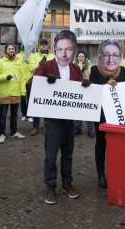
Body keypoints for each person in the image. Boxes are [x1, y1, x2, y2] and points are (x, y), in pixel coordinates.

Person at [28, 29, 86, 204]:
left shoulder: (75, 69)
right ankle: (50, 186)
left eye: (68, 49)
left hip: (69, 120)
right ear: (55, 49)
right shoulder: (46, 66)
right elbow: (31, 83)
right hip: (53, 121)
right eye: (60, 49)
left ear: (74, 49)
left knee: (68, 153)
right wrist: (46, 82)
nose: (64, 54)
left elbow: (81, 92)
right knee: (51, 154)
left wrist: (86, 86)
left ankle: (67, 183)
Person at [89, 39, 125, 189]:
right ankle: (101, 174)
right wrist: (105, 86)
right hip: (101, 115)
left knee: (118, 144)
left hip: (118, 115)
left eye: (115, 55)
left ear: (120, 57)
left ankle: (117, 172)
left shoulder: (123, 71)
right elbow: (91, 93)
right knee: (101, 143)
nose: (110, 59)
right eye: (106, 55)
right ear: (100, 56)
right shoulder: (94, 70)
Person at [0, 43, 26, 143]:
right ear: (5, 50)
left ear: (15, 51)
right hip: (4, 93)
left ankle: (14, 132)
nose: (11, 50)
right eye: (9, 49)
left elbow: (22, 77)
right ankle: (2, 134)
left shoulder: (19, 62)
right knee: (3, 114)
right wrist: (4, 77)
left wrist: (22, 91)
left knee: (14, 114)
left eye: (13, 49)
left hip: (16, 92)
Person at [27, 39, 55, 135]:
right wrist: (39, 64)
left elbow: (56, 68)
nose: (44, 46)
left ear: (48, 46)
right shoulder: (34, 56)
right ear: (39, 46)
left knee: (48, 105)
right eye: (42, 44)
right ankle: (35, 126)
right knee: (37, 105)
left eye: (45, 44)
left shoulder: (52, 56)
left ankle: (48, 126)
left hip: (49, 84)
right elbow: (30, 68)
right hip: (37, 84)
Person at [73, 49, 94, 137]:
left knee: (89, 110)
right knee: (78, 109)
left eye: (82, 56)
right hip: (77, 89)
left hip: (88, 88)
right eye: (79, 56)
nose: (81, 58)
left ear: (85, 58)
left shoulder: (90, 66)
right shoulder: (73, 66)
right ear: (77, 58)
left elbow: (92, 76)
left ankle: (90, 129)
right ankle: (78, 128)